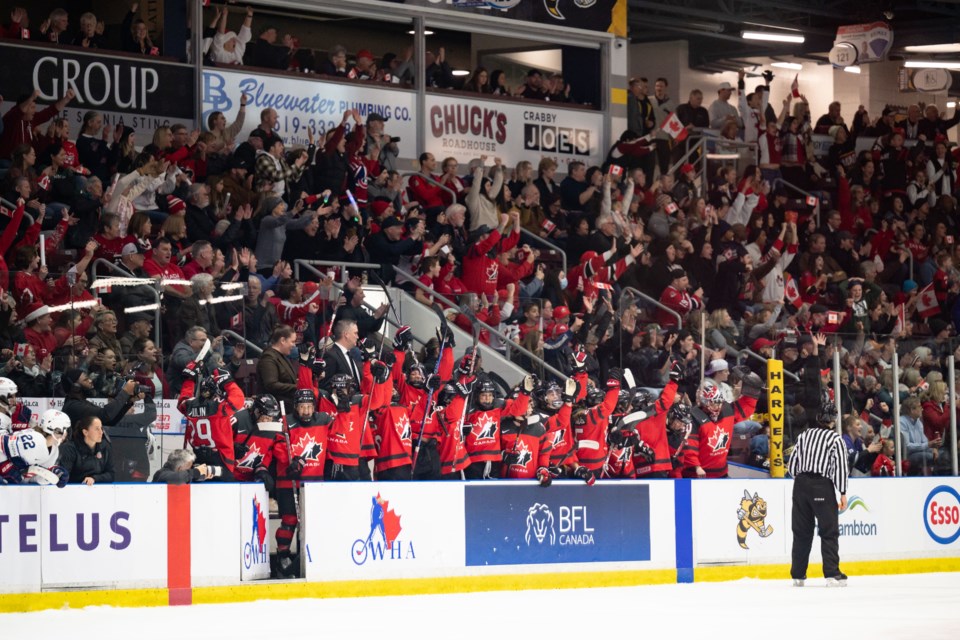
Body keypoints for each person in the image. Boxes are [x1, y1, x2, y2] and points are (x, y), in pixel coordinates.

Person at [788, 395, 849, 587]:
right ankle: (832, 573)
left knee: (801, 531)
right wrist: (843, 492)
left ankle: (798, 574)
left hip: (800, 485)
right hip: (821, 484)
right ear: (833, 420)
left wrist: (801, 480)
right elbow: (840, 467)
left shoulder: (804, 435)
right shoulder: (835, 439)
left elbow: (792, 465)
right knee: (829, 530)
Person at [56, 414, 114, 485]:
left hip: (98, 491)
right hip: (73, 491)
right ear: (85, 432)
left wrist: (94, 478)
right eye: (97, 429)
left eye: (101, 428)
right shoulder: (70, 449)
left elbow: (111, 474)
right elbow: (63, 476)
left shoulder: (105, 447)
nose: (101, 432)